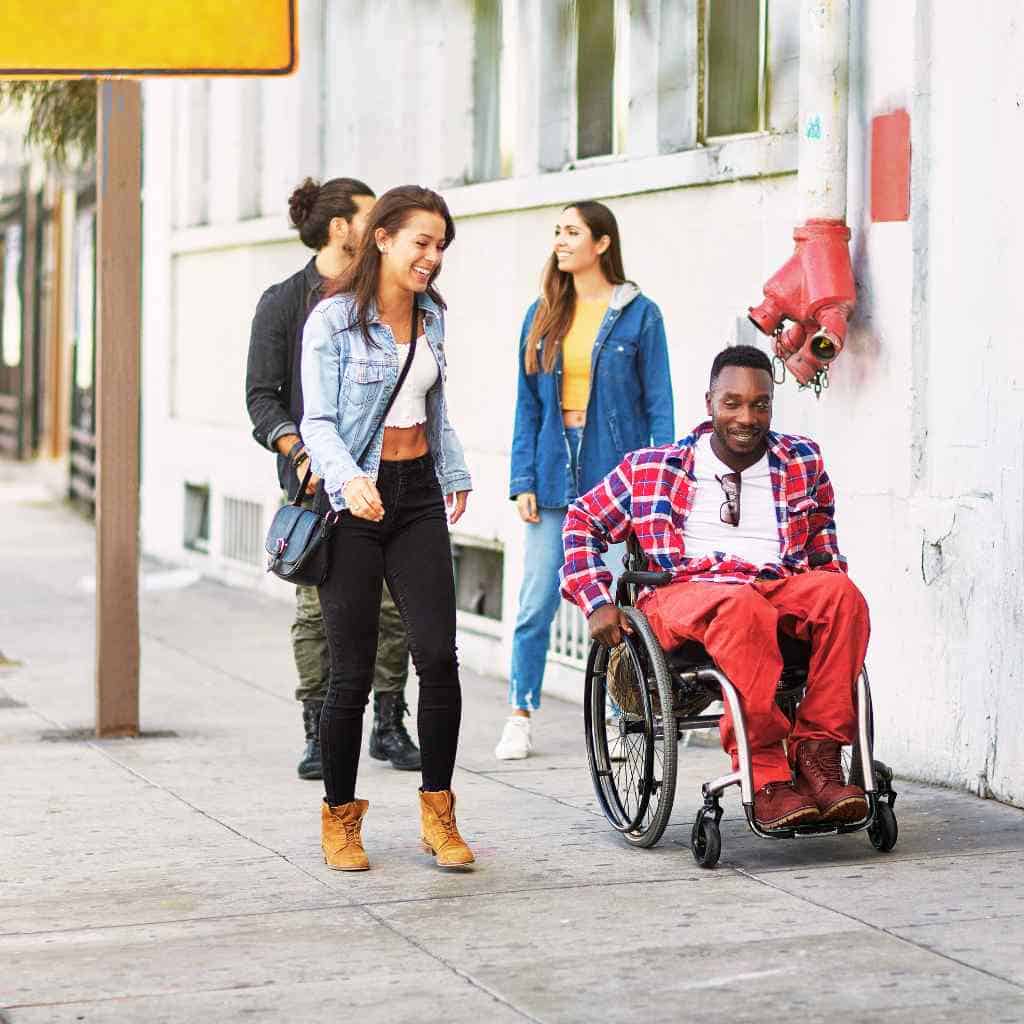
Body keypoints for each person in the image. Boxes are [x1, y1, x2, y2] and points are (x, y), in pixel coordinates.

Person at [561, 345, 871, 830]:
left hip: (775, 585)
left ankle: (818, 755)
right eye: (732, 403)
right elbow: (581, 521)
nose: (746, 417)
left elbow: (823, 549)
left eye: (759, 404)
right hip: (684, 591)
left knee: (842, 596)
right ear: (709, 403)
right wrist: (596, 599)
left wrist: (831, 613)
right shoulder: (653, 468)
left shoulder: (802, 460)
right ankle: (766, 774)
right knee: (740, 604)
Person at [301, 185, 475, 871]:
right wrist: (348, 479)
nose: (430, 258)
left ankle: (439, 814)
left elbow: (433, 405)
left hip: (418, 495)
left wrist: (455, 469)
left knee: (437, 655)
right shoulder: (333, 322)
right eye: (420, 243)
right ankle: (340, 820)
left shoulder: (432, 315)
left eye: (439, 246)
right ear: (382, 239)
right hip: (356, 503)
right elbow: (317, 421)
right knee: (351, 671)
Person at [246, 177, 422, 781]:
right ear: (342, 228)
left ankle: (389, 721)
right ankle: (319, 730)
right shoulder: (283, 302)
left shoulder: (389, 295)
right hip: (316, 483)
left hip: (389, 476)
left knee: (395, 605)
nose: (382, 229)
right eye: (371, 217)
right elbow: (262, 399)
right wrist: (299, 452)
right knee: (317, 612)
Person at [499, 200, 674, 760]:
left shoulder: (639, 314)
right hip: (553, 471)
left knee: (624, 602)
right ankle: (519, 714)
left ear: (602, 243)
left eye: (572, 232)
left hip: (617, 476)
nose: (560, 240)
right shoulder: (542, 313)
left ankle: (626, 717)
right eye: (557, 231)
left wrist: (662, 483)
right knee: (536, 602)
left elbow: (660, 408)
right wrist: (522, 477)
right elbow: (527, 406)